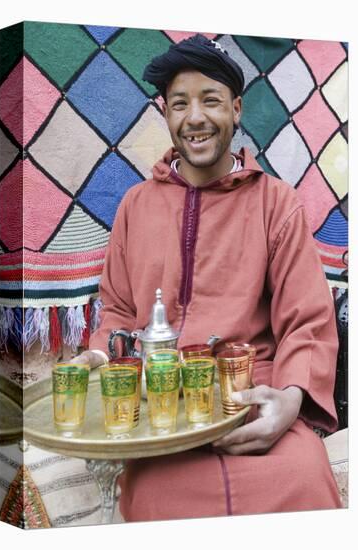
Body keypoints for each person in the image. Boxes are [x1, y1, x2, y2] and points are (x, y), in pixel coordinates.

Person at [75, 34, 342, 520]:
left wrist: (288, 401)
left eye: (211, 100)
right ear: (166, 115)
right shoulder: (136, 205)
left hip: (252, 399)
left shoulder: (275, 202)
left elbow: (307, 321)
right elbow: (116, 311)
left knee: (303, 476)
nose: (195, 117)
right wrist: (101, 353)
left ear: (236, 109)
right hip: (161, 409)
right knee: (156, 499)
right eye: (180, 104)